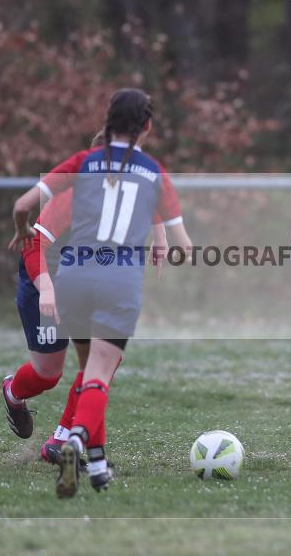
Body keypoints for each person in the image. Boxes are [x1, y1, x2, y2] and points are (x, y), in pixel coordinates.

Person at [39, 88, 192, 498]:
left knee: (91, 371)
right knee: (99, 375)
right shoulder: (151, 172)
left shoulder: (85, 168)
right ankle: (73, 438)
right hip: (118, 282)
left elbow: (33, 205)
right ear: (147, 126)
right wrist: (175, 249)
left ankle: (99, 463)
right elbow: (183, 244)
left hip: (73, 278)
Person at [0, 132, 170, 465]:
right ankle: (13, 392)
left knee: (105, 356)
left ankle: (62, 439)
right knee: (48, 374)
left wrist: (161, 237)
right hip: (44, 282)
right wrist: (47, 290)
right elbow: (34, 245)